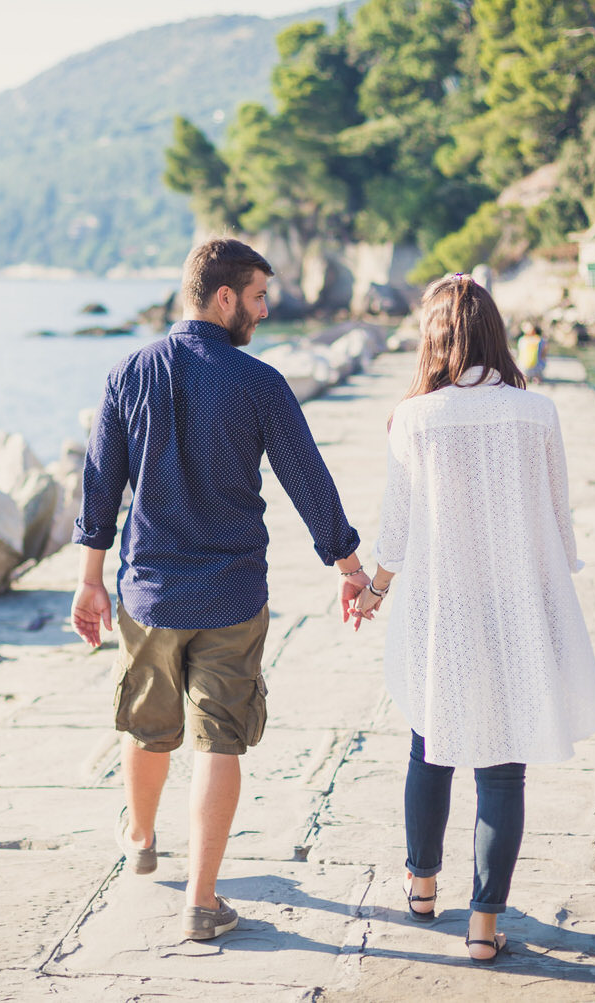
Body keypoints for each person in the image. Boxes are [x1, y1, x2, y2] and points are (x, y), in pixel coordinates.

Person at [70, 237, 371, 942]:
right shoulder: (259, 383)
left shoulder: (125, 373)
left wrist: (89, 582)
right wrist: (348, 566)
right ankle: (202, 902)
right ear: (225, 296)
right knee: (220, 742)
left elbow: (98, 489)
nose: (266, 311)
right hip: (233, 596)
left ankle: (140, 838)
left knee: (147, 727)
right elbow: (309, 482)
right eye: (261, 296)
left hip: (148, 596)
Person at [350, 273, 595, 963]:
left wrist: (372, 591)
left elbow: (396, 534)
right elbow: (559, 525)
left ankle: (423, 886)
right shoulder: (539, 413)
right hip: (518, 602)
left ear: (432, 338)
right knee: (502, 767)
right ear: (496, 332)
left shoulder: (413, 417)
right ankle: (485, 925)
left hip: (442, 609)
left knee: (429, 748)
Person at [516, 321, 547, 385]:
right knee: (542, 360)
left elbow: (520, 354)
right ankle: (536, 377)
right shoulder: (540, 340)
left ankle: (527, 377)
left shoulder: (522, 340)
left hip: (523, 368)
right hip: (537, 367)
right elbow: (543, 354)